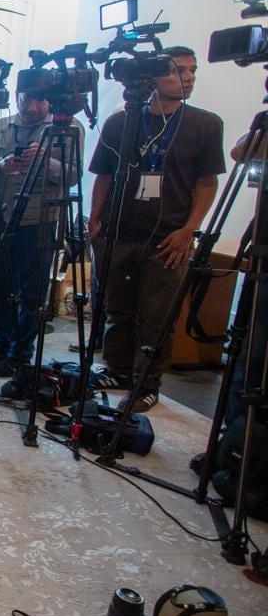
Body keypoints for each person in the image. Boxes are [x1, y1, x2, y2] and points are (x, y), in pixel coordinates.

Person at [87, 46, 225, 412]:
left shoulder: (205, 124)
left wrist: (190, 230)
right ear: (153, 77)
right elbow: (102, 175)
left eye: (193, 71)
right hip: (119, 231)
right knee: (117, 309)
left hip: (168, 236)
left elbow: (206, 182)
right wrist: (95, 220)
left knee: (156, 316)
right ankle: (116, 369)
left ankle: (146, 383)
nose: (189, 78)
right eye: (179, 71)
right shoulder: (121, 122)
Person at [0, 91, 83, 379]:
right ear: (17, 96)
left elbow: (73, 176)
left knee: (31, 293)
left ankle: (21, 354)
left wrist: (45, 159)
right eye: (27, 100)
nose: (33, 107)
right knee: (0, 287)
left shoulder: (66, 128)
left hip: (39, 220)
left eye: (41, 100)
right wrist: (0, 166)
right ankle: (0, 346)